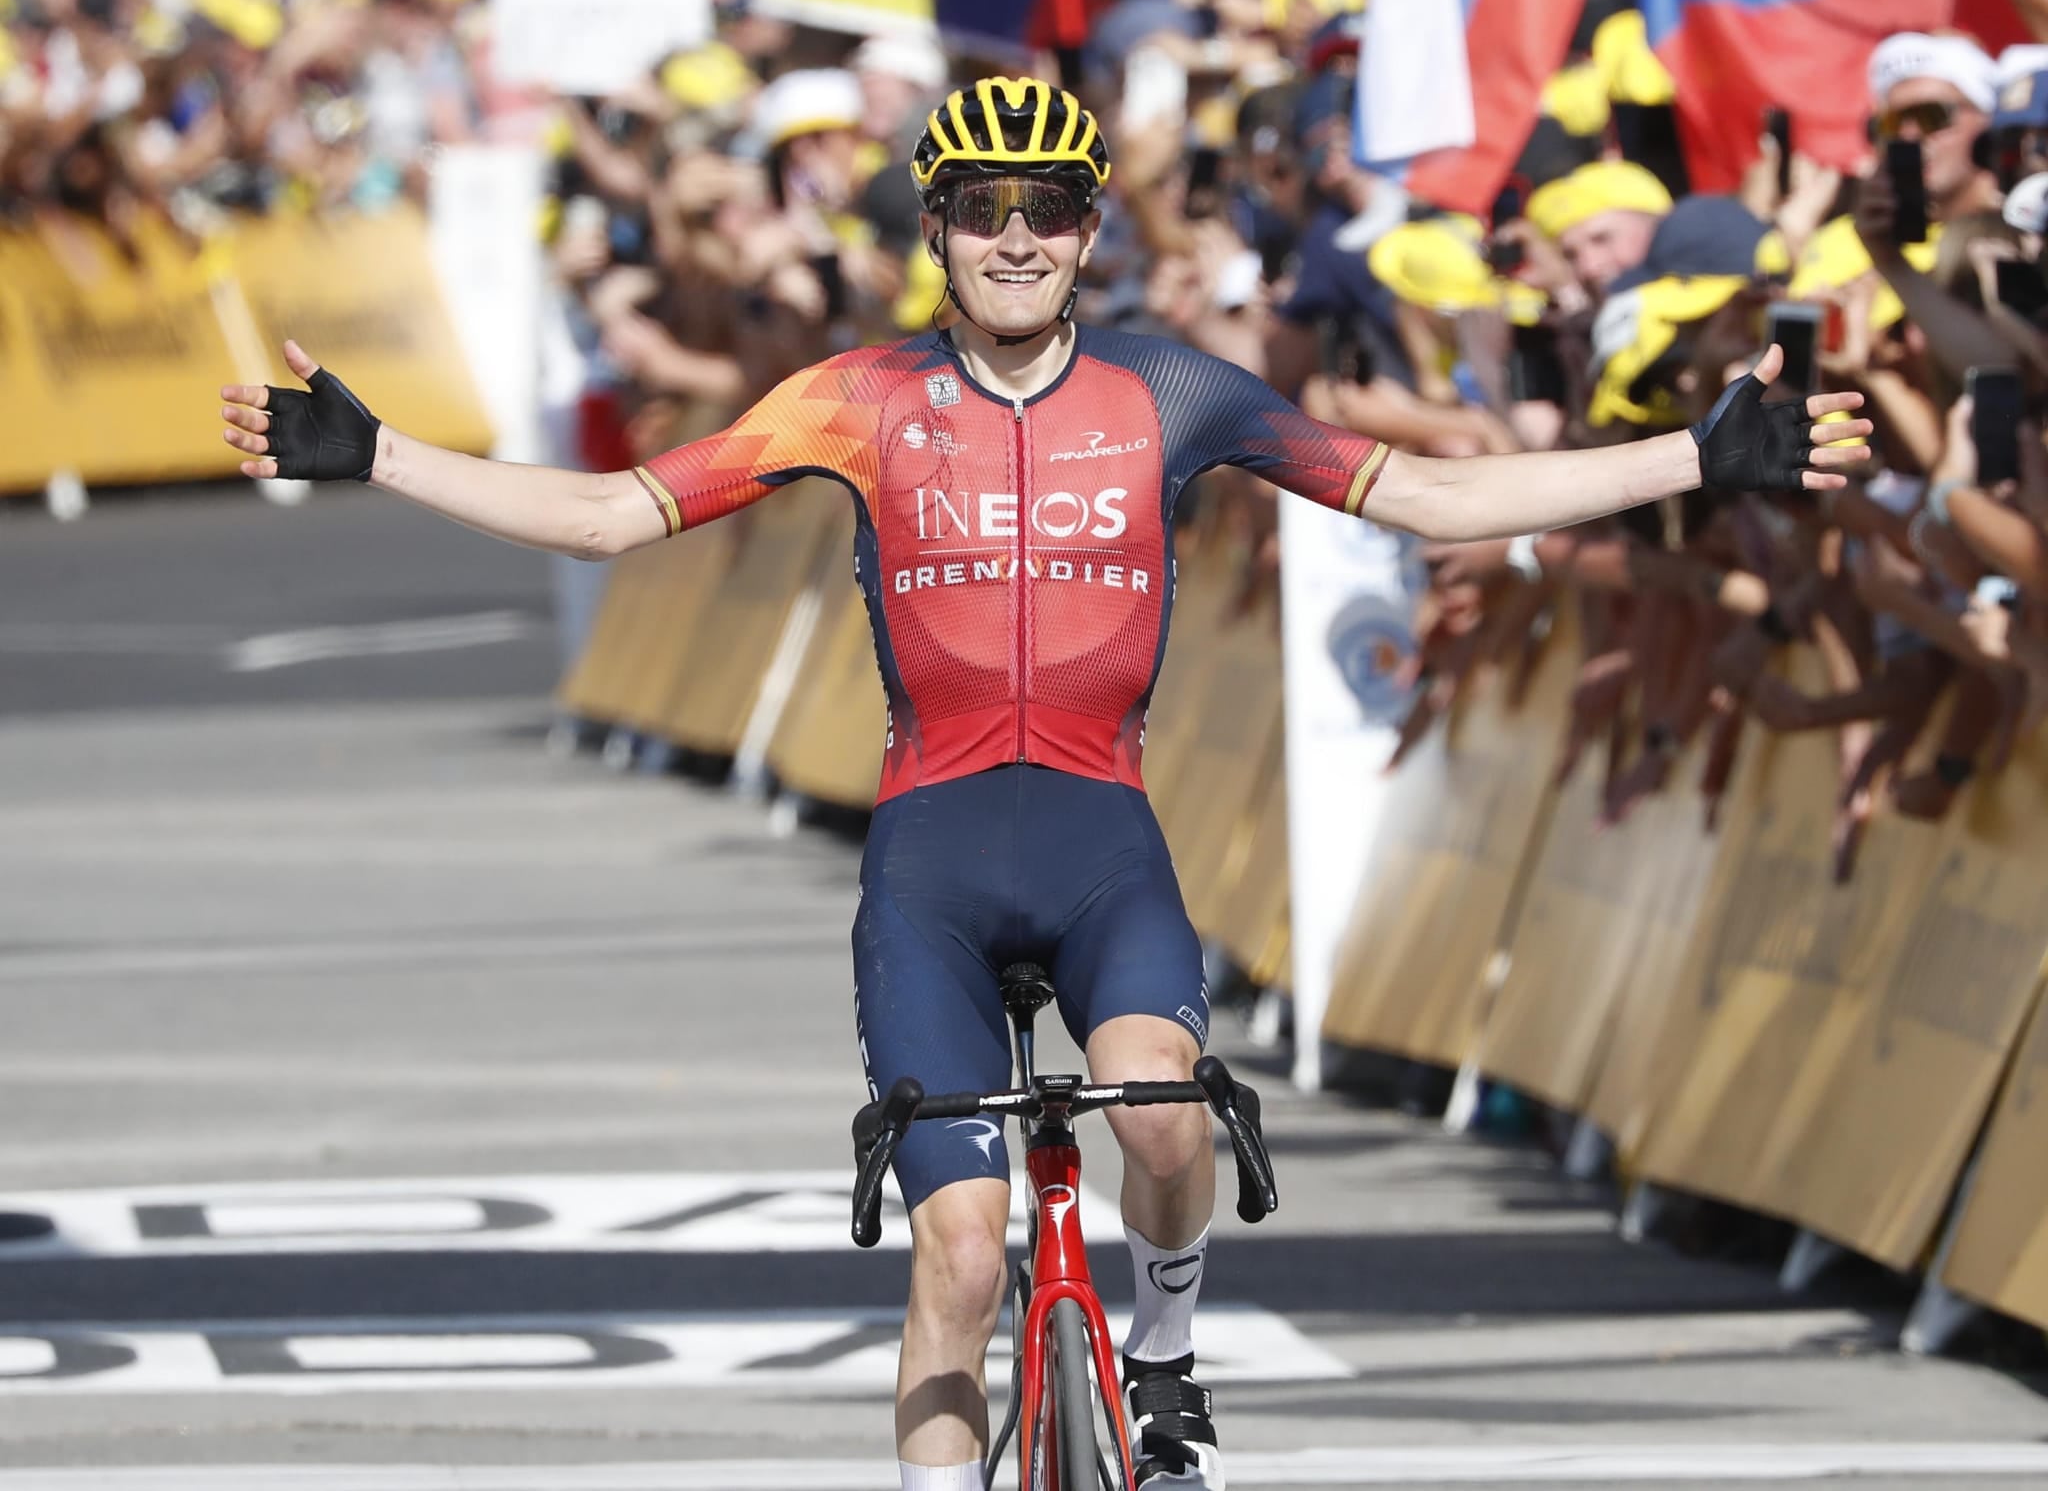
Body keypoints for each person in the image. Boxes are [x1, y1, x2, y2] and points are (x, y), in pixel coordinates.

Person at [218, 75, 1872, 1491]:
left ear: (1092, 231)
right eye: (983, 205)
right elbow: (607, 515)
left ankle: (1163, 1353)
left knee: (1162, 1107)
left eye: (1052, 207)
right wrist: (380, 457)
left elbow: (1428, 502)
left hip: (1100, 843)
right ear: (933, 230)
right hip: (931, 864)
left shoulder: (1173, 392)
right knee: (958, 1247)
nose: (1018, 235)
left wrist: (1698, 459)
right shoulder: (852, 401)